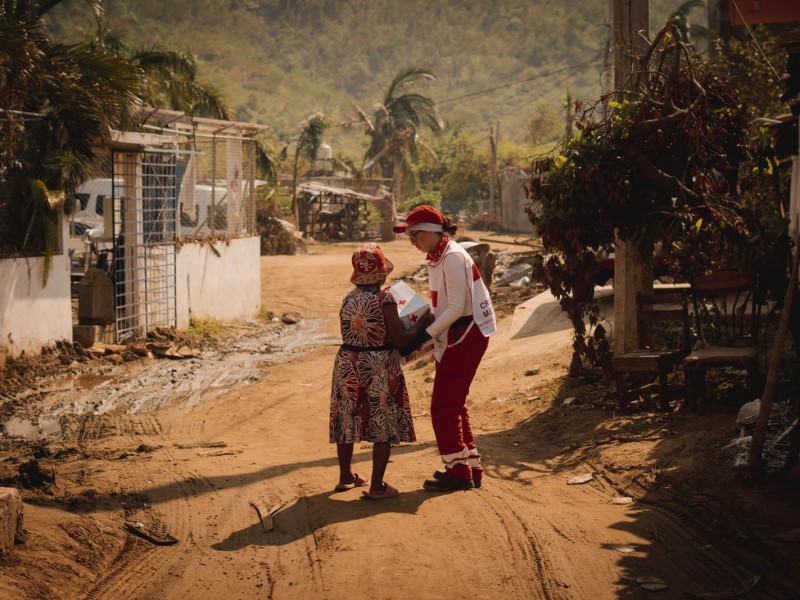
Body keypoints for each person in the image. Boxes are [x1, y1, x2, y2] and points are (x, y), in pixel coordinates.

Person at [393, 205, 496, 492]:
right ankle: (468, 467)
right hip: (457, 332)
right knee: (455, 404)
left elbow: (454, 307)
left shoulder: (451, 257)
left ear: (430, 232)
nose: (413, 242)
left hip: (465, 333)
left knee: (442, 408)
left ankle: (459, 473)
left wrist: (423, 334)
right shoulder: (440, 255)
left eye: (414, 235)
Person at [329, 243, 434, 499]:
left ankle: (345, 477)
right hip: (377, 365)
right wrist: (425, 321)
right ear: (383, 272)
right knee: (381, 420)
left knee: (347, 417)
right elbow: (401, 339)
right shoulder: (385, 299)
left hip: (347, 362)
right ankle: (377, 486)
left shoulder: (349, 297)